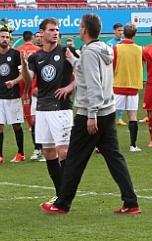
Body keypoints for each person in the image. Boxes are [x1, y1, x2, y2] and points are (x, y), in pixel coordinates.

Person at [41, 14, 140, 215]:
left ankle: (62, 204)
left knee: (74, 159)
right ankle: (131, 202)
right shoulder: (102, 49)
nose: (79, 29)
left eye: (80, 26)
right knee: (114, 158)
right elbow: (89, 71)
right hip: (108, 111)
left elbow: (94, 84)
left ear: (84, 30)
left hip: (91, 114)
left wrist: (91, 115)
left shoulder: (89, 52)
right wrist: (73, 60)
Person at [21, 17, 75, 201]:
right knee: (48, 152)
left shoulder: (67, 51)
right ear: (42, 33)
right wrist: (24, 66)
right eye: (51, 30)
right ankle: (60, 194)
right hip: (42, 108)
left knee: (64, 151)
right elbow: (29, 79)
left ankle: (66, 196)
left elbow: (82, 72)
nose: (55, 33)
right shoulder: (36, 57)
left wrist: (69, 87)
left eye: (57, 30)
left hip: (61, 108)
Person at [0, 29, 25, 164]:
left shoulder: (16, 54)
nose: (5, 39)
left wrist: (14, 82)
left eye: (7, 37)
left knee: (16, 125)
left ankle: (20, 153)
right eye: (2, 37)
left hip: (13, 96)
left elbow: (23, 74)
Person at [112, 23, 144, 153]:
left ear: (124, 33)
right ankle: (133, 145)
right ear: (135, 34)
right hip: (133, 87)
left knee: (109, 116)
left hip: (118, 85)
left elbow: (112, 66)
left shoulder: (116, 48)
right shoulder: (140, 49)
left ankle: (102, 145)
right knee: (132, 116)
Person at [17, 29, 42, 160]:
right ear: (32, 37)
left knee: (41, 121)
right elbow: (28, 75)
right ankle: (38, 148)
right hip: (33, 90)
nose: (39, 38)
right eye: (37, 36)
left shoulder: (19, 49)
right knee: (33, 121)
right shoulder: (36, 53)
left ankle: (46, 148)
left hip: (43, 92)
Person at [107, 23, 126, 125]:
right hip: (112, 72)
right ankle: (110, 116)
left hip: (122, 72)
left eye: (121, 30)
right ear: (114, 31)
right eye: (118, 30)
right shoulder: (109, 44)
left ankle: (119, 118)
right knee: (111, 95)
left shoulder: (124, 43)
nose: (120, 32)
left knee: (122, 94)